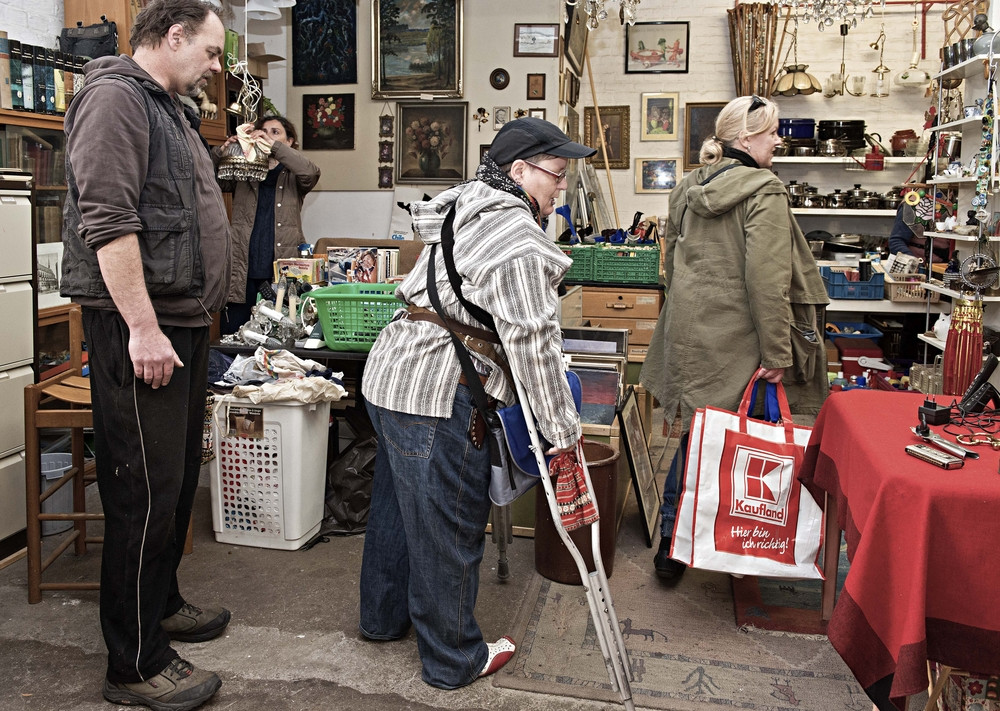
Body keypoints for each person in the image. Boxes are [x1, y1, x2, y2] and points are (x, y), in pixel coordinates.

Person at [359, 117, 596, 689]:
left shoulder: (469, 203)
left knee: (396, 510)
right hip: (438, 392)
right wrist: (563, 435)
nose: (561, 187)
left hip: (391, 378)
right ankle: (454, 659)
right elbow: (534, 344)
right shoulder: (513, 236)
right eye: (555, 175)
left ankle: (382, 620)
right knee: (446, 526)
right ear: (518, 170)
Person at [60, 1, 232, 709]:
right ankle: (133, 662)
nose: (218, 70)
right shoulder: (113, 98)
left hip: (181, 322)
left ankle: (159, 602)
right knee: (144, 491)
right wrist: (142, 327)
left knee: (175, 479)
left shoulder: (168, 108)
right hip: (144, 329)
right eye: (213, 53)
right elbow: (109, 220)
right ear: (174, 35)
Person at [639, 95, 830, 585]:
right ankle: (747, 543)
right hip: (743, 337)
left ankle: (671, 544)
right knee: (754, 442)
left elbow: (670, 266)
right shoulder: (764, 190)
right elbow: (767, 282)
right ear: (744, 140)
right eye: (769, 133)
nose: (777, 140)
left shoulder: (686, 187)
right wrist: (777, 353)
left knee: (699, 437)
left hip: (691, 332)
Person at [214, 115, 321, 334]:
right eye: (263, 131)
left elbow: (311, 172)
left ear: (289, 141)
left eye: (275, 132)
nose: (266, 135)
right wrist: (222, 152)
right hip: (242, 266)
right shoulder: (244, 168)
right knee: (236, 333)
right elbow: (211, 176)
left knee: (280, 334)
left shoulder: (295, 175)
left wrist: (274, 147)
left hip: (281, 269)